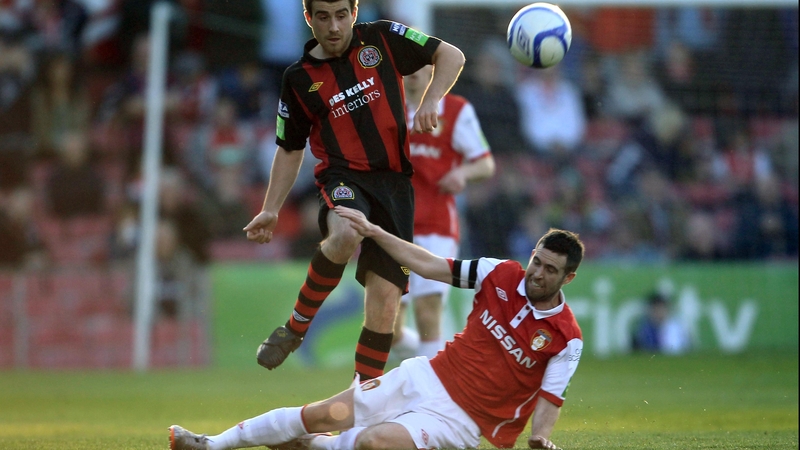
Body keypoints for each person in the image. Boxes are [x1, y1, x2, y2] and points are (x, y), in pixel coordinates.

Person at [169, 216, 584, 450]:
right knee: (321, 414)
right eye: (537, 261)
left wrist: (540, 438)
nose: (537, 273)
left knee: (374, 443)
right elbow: (432, 265)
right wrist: (376, 233)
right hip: (423, 377)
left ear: (568, 278)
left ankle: (314, 446)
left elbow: (551, 398)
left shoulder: (566, 337)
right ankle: (211, 444)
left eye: (550, 270)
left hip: (458, 421)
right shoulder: (501, 272)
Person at [242, 0, 465, 381]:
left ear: (354, 14)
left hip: (395, 186)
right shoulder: (298, 78)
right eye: (323, 17)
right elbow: (290, 148)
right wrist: (271, 208)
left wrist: (431, 99)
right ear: (309, 18)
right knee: (346, 230)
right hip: (343, 178)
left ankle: (363, 399)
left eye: (341, 15)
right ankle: (296, 327)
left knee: (385, 304)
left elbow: (451, 55)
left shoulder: (382, 37)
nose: (333, 26)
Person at [392, 64, 495, 360]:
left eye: (419, 61)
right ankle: (436, 363)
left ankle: (428, 380)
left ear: (433, 68)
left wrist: (462, 173)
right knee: (388, 325)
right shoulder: (385, 106)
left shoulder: (456, 110)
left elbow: (485, 163)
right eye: (405, 60)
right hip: (392, 225)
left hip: (436, 226)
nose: (411, 67)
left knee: (427, 312)